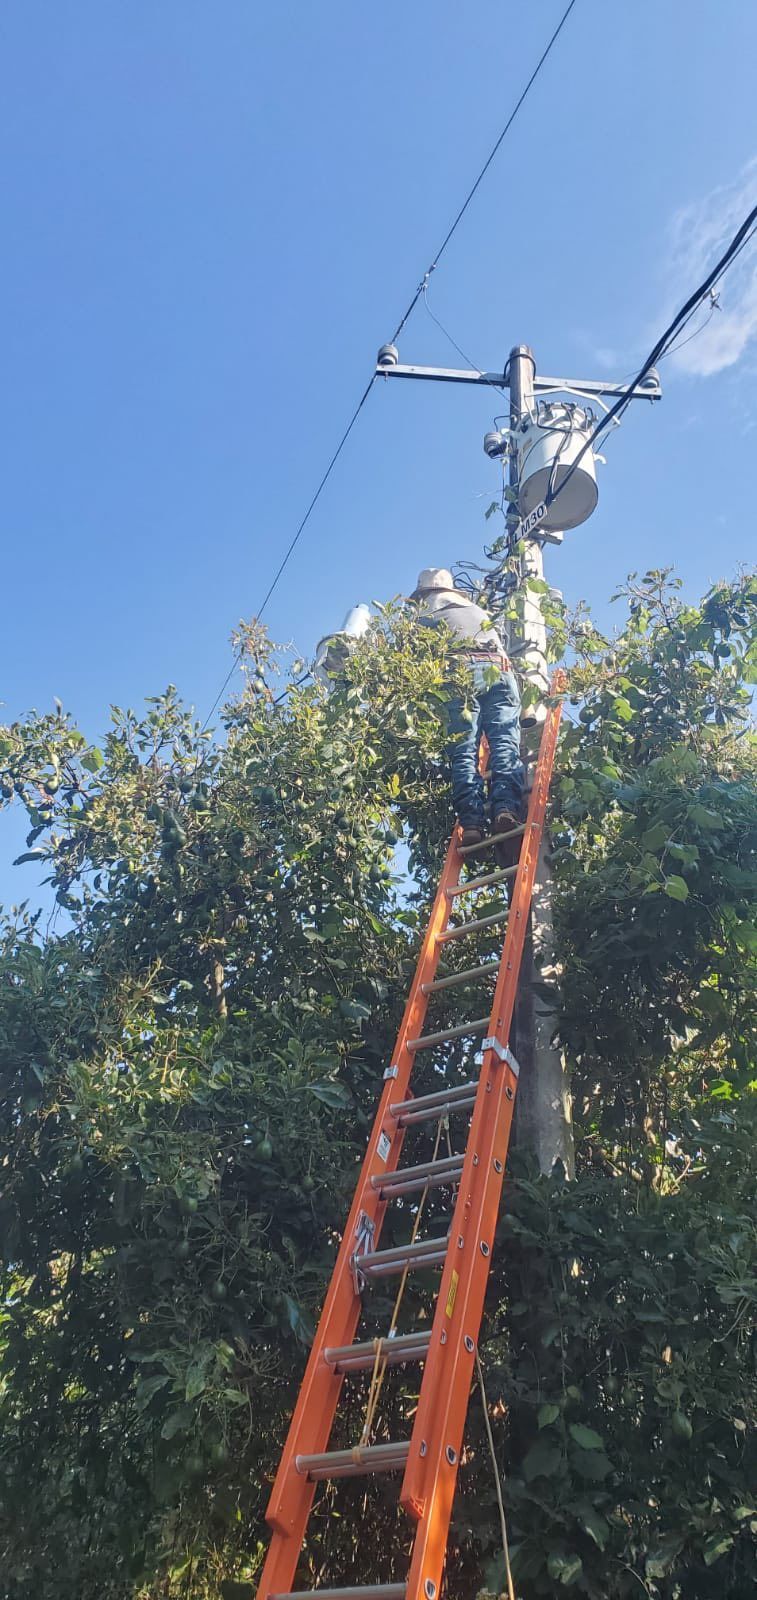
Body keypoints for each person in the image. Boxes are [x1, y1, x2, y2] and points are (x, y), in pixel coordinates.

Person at [411, 568, 525, 864]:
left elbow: (411, 669)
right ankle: (505, 809)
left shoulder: (422, 617)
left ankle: (472, 823)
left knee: (464, 751)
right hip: (499, 668)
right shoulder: (476, 610)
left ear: (423, 594)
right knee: (503, 743)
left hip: (459, 672)